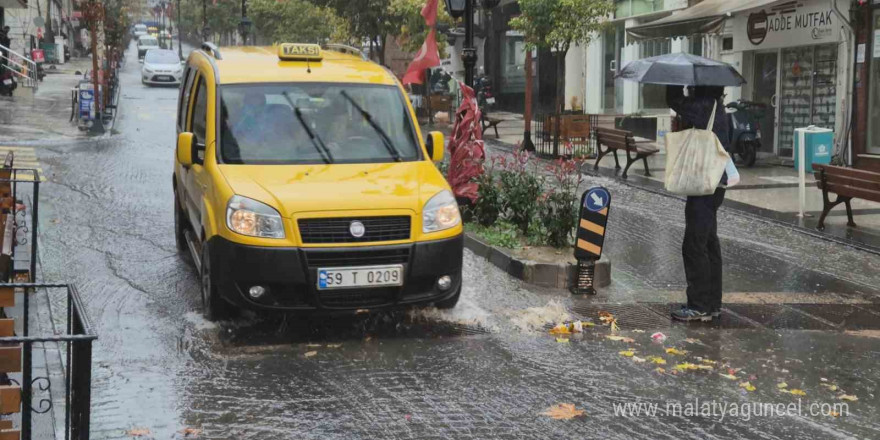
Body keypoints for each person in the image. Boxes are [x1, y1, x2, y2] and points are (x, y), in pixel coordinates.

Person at [666, 85, 731, 322]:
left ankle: (699, 305)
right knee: (709, 244)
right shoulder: (719, 108)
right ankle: (712, 303)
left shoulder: (704, 107)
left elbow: (673, 100)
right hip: (715, 184)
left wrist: (673, 80)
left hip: (704, 185)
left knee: (694, 245)